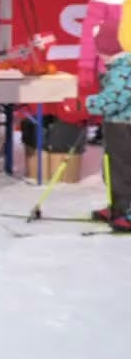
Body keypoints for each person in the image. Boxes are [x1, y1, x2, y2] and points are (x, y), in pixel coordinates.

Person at [83, 17, 131, 232]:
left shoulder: (123, 70)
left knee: (123, 170)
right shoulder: (117, 68)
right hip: (115, 126)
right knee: (112, 169)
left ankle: (126, 212)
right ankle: (118, 207)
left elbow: (115, 99)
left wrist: (90, 103)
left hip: (124, 127)